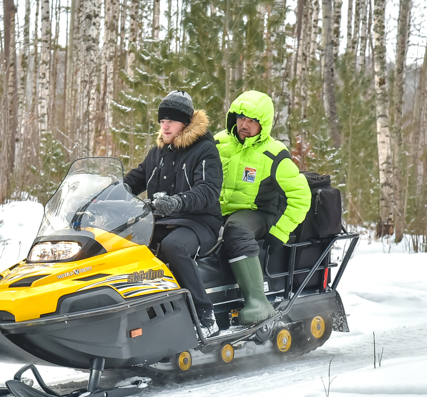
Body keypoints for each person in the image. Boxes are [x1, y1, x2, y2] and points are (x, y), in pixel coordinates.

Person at [124, 90, 224, 337]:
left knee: (173, 246)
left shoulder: (204, 150)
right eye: (161, 121)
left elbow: (208, 191)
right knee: (128, 246)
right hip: (160, 221)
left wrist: (178, 202)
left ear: (186, 123)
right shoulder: (157, 153)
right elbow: (135, 179)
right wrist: (106, 192)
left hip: (200, 222)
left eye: (171, 120)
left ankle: (205, 315)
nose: (165, 126)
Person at [215, 90, 311, 325]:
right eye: (240, 118)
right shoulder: (218, 143)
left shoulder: (274, 154)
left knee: (235, 230)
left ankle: (258, 303)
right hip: (218, 210)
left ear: (264, 124)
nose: (243, 125)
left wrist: (280, 231)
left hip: (257, 211)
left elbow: (301, 195)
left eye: (251, 121)